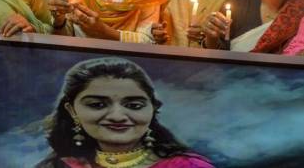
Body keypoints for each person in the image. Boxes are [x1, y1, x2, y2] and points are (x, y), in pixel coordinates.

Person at [37, 57, 214, 168]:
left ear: (152, 109)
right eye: (98, 105)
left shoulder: (188, 166)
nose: (117, 116)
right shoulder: (58, 165)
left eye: (134, 106)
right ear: (72, 110)